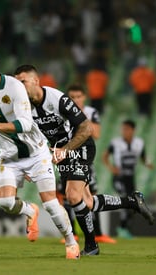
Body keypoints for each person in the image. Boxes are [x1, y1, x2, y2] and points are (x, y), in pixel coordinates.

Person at [14, 65, 154, 255]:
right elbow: (32, 138)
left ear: (36, 81)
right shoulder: (25, 108)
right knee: (86, 202)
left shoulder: (56, 99)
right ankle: (132, 201)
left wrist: (65, 149)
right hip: (62, 153)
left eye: (23, 81)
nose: (19, 87)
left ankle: (91, 246)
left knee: (72, 196)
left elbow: (87, 128)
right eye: (17, 83)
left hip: (80, 147)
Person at [0, 47, 80, 259]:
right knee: (6, 203)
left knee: (51, 204)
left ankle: (71, 242)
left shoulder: (14, 87)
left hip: (36, 153)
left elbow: (25, 123)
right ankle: (30, 211)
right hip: (9, 157)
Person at [68, 84, 116, 244]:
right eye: (72, 97)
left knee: (91, 195)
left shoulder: (91, 112)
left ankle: (98, 234)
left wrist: (80, 117)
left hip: (85, 157)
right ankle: (72, 234)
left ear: (84, 97)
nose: (75, 100)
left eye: (78, 96)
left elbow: (96, 134)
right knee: (66, 195)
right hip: (67, 156)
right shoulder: (63, 112)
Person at [103, 119, 154, 239]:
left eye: (126, 129)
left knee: (133, 202)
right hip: (119, 178)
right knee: (126, 198)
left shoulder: (139, 143)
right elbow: (104, 156)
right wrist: (111, 168)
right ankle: (122, 228)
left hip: (131, 179)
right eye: (123, 129)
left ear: (133, 130)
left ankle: (125, 229)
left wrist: (148, 163)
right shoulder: (115, 143)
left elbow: (143, 157)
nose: (124, 131)